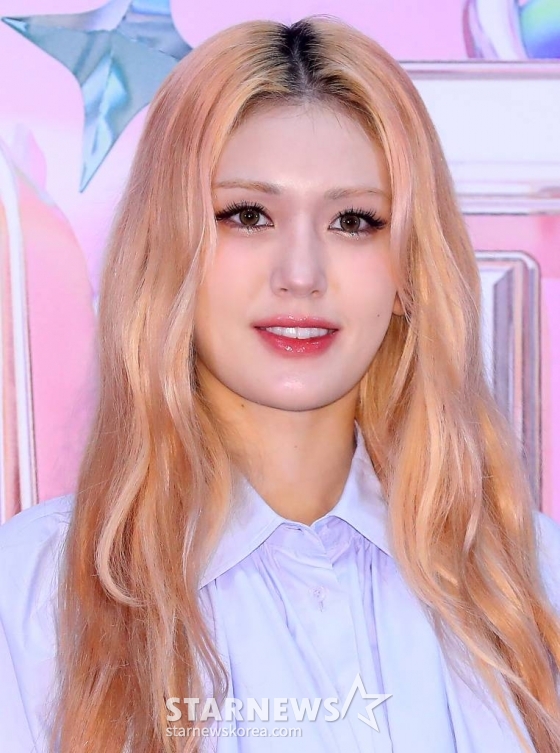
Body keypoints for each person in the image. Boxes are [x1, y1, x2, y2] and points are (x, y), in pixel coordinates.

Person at [0, 14, 559, 753]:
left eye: (353, 220)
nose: (301, 274)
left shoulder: (530, 579)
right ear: (171, 251)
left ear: (408, 272)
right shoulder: (36, 592)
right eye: (248, 215)